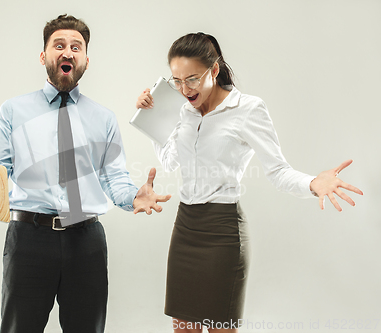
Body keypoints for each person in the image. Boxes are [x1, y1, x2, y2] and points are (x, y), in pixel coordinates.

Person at [0, 14, 171, 333]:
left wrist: (133, 196)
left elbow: (115, 179)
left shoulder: (104, 119)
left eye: (76, 46)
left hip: (86, 242)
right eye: (59, 45)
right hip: (28, 239)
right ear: (44, 56)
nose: (67, 52)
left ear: (85, 60)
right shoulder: (13, 111)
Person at [136, 32, 363, 333]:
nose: (183, 89)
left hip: (222, 231)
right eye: (176, 81)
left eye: (191, 79)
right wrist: (151, 119)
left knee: (220, 328)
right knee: (183, 329)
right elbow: (170, 161)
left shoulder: (248, 109)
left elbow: (279, 171)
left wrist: (312, 183)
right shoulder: (185, 111)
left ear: (214, 70)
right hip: (185, 227)